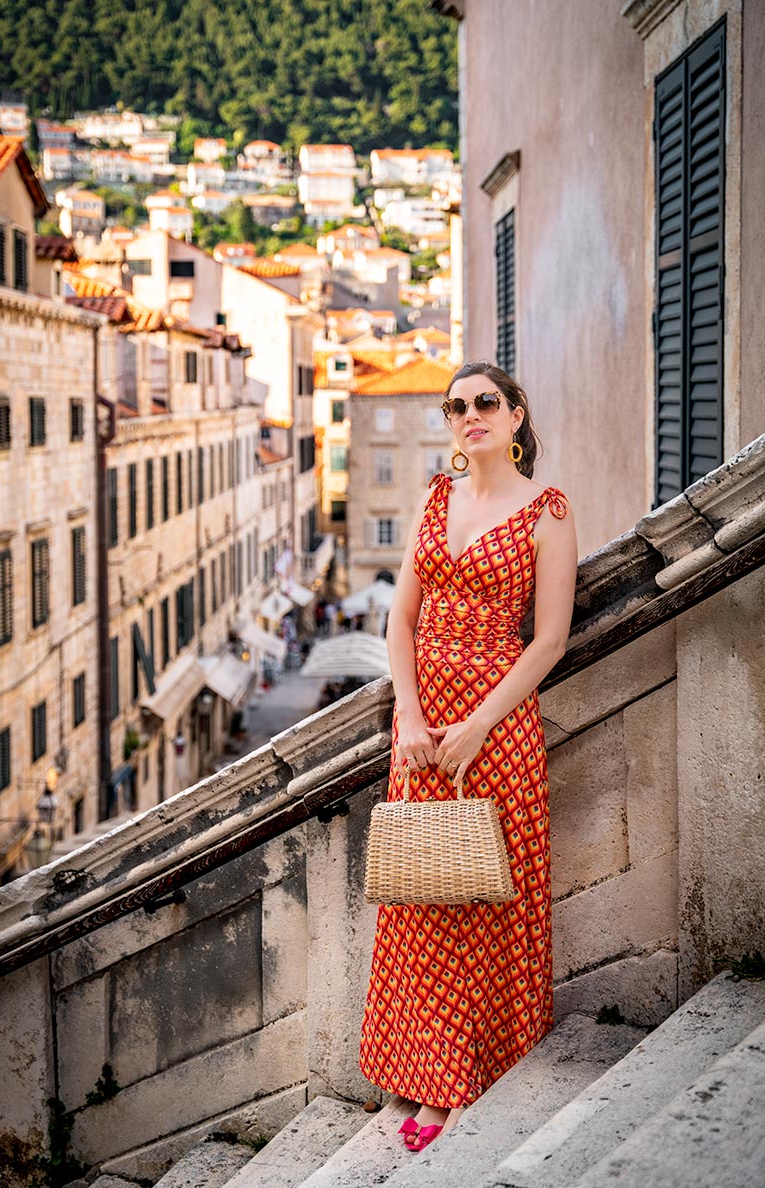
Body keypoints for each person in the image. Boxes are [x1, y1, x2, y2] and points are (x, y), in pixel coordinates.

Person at [359, 361, 578, 1152]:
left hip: (497, 728)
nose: (470, 416)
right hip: (420, 738)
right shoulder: (434, 496)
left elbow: (548, 639)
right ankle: (428, 1075)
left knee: (487, 904)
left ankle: (471, 1080)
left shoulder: (547, 511)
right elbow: (400, 625)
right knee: (422, 901)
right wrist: (411, 717)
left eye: (486, 402)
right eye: (457, 408)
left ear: (516, 416)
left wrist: (480, 723)